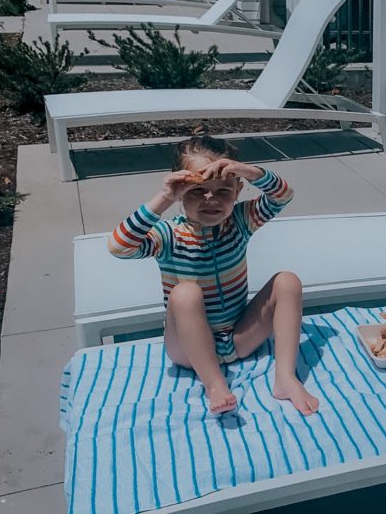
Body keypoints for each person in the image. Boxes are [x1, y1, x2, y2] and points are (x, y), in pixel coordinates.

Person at [107, 135, 319, 415]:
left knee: (287, 281)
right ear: (180, 190)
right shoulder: (168, 235)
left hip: (239, 338)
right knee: (185, 293)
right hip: (187, 350)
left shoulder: (241, 222)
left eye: (223, 191)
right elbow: (119, 247)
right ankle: (215, 384)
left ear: (238, 189)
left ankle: (285, 377)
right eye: (197, 190)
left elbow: (283, 195)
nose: (210, 199)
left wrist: (246, 169)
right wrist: (164, 198)